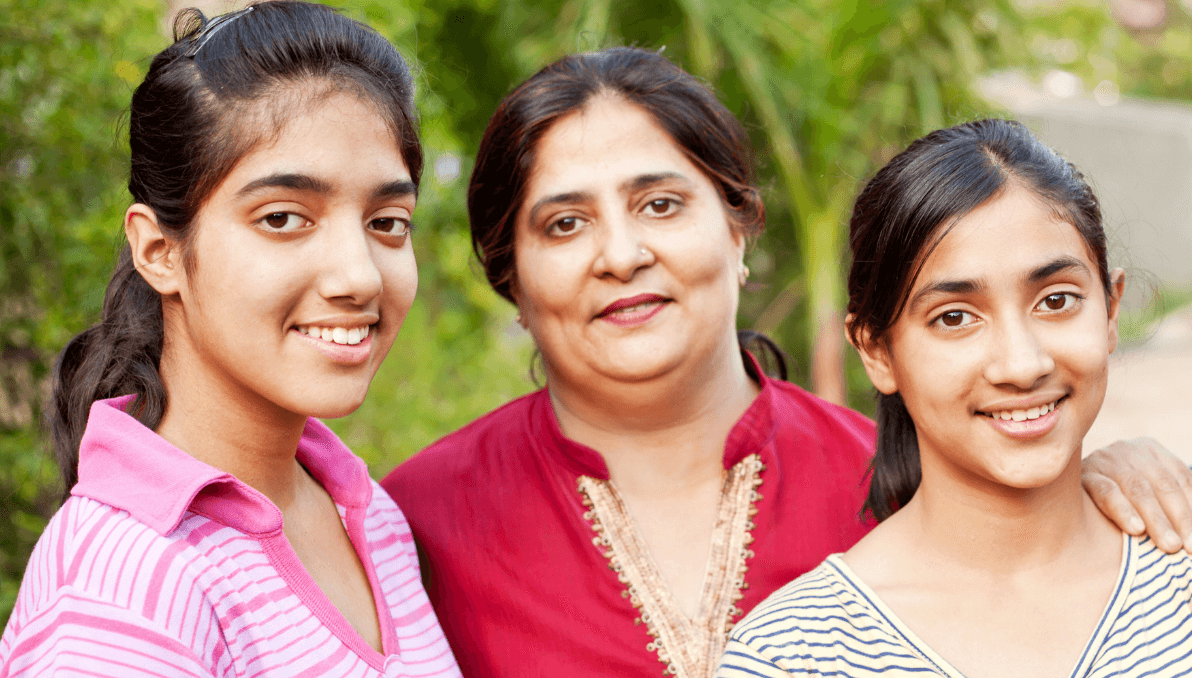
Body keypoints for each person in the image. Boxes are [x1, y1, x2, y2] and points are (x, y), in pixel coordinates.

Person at [382, 48, 1191, 678]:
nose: (621, 254)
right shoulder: (412, 525)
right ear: (509, 276)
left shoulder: (880, 469)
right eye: (564, 225)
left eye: (660, 204)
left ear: (739, 229)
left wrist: (1108, 477)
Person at [0, 3, 459, 676]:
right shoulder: (123, 591)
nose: (360, 276)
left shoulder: (364, 510)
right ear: (158, 250)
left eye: (387, 221)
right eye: (283, 217)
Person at [717, 119, 1192, 676]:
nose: (1023, 364)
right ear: (876, 352)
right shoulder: (795, 654)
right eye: (955, 318)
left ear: (1111, 310)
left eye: (1057, 300)